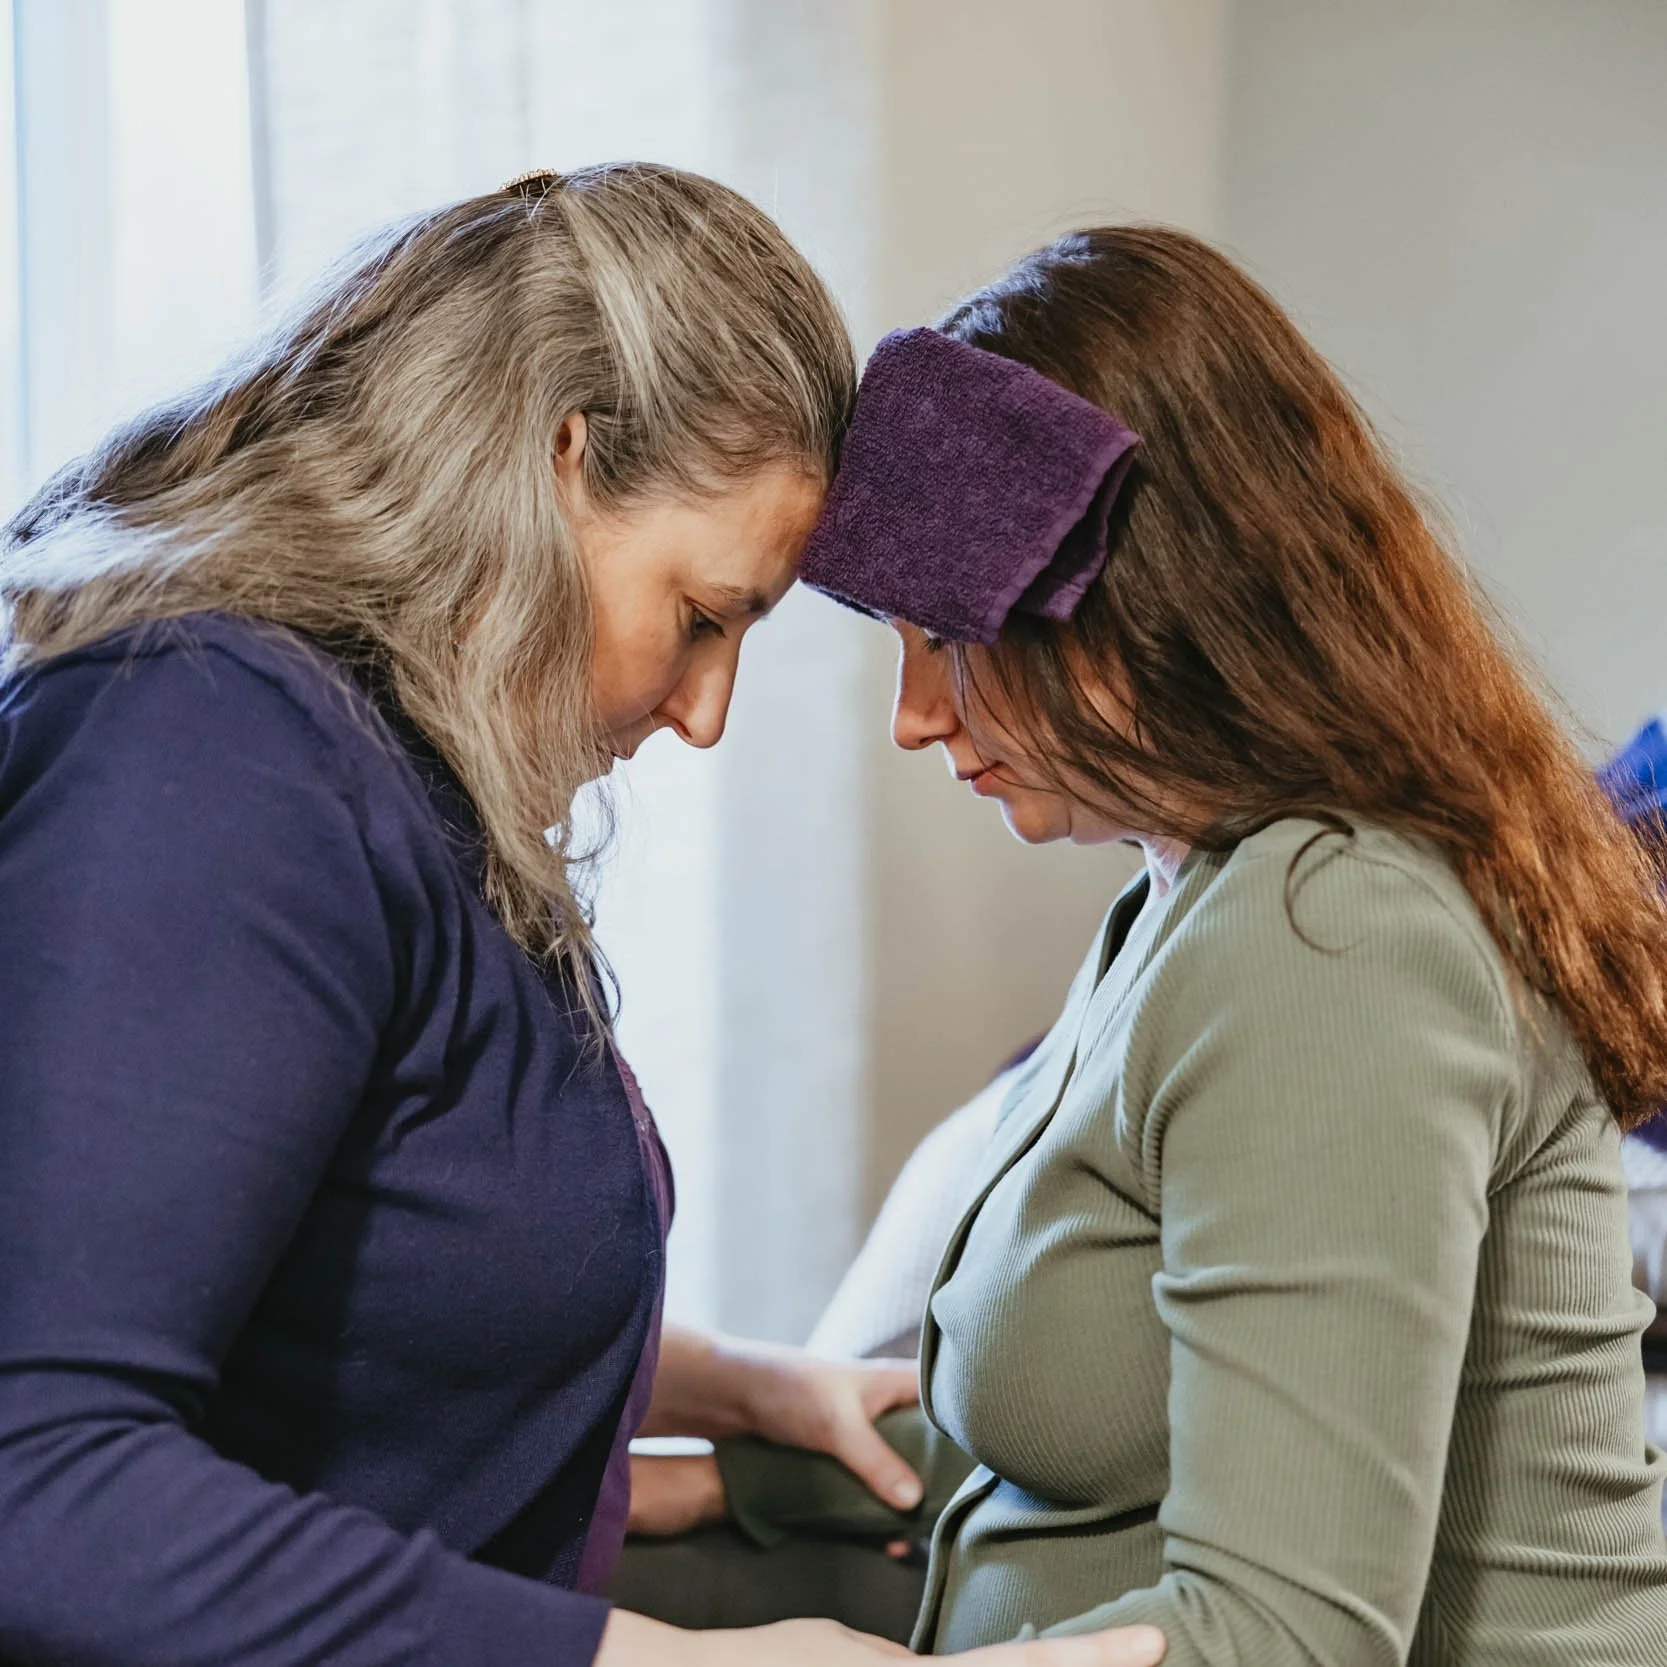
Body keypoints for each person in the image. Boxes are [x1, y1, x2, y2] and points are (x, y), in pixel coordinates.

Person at [0, 164, 1167, 1667]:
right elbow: (41, 1481)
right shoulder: (211, 756)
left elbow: (346, 1287)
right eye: (701, 618)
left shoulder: (393, 780)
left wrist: (727, 1387)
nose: (703, 712)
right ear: (559, 464)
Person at [789, 226, 1667, 1662]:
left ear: (1145, 597)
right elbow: (1101, 1459)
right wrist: (731, 1478)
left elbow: (1286, 1634)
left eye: (948, 640)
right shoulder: (1182, 893)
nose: (915, 718)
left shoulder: (1331, 935)